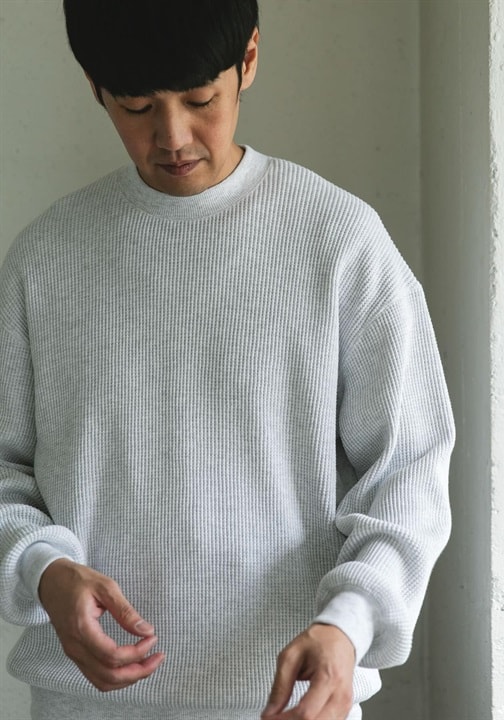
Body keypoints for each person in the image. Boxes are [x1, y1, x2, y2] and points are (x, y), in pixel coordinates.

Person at [0, 1, 455, 718]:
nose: (172, 136)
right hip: (85, 706)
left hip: (293, 702)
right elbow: (5, 471)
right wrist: (42, 568)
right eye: (137, 107)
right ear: (95, 86)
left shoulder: (339, 242)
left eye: (199, 99)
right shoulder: (45, 260)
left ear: (248, 60)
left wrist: (349, 623)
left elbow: (407, 473)